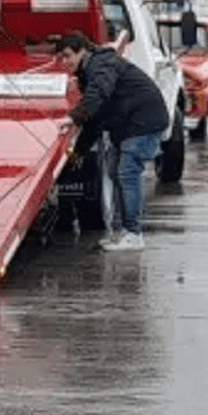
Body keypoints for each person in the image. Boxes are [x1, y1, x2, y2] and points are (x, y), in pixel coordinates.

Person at [57, 31, 170, 251]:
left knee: (127, 174)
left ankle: (133, 234)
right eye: (61, 57)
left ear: (82, 50)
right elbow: (96, 117)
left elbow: (96, 97)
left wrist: (73, 117)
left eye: (67, 55)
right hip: (129, 125)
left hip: (143, 122)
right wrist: (78, 150)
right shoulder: (90, 70)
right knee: (114, 171)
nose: (65, 62)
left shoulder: (101, 64)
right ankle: (122, 231)